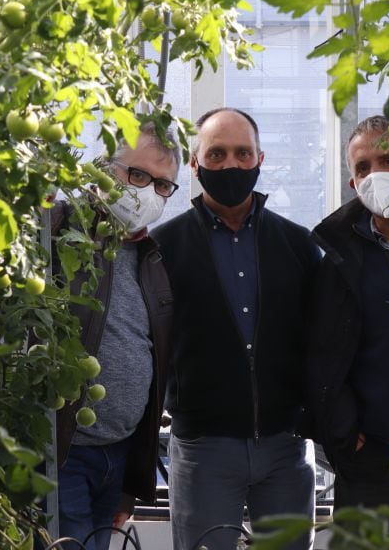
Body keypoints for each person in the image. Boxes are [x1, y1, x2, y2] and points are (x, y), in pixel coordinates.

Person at [151, 108, 320, 550]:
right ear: (195, 163)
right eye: (218, 153)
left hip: (285, 447)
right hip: (203, 449)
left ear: (260, 159)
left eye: (242, 153)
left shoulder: (299, 244)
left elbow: (322, 340)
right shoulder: (162, 248)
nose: (231, 165)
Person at [50, 123, 179, 550]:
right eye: (137, 175)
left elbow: (155, 362)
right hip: (63, 453)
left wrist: (130, 484)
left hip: (118, 455)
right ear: (104, 168)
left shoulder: (152, 258)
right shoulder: (58, 231)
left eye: (162, 185)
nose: (147, 193)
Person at [307, 115, 389, 509]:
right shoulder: (337, 258)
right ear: (353, 185)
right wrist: (345, 433)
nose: (375, 175)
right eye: (363, 168)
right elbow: (319, 353)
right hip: (372, 458)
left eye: (387, 162)